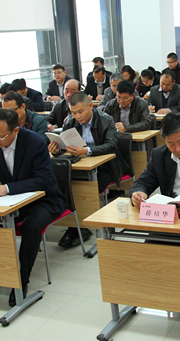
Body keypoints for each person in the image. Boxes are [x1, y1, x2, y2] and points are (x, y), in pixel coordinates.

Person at [0, 108, 67, 307]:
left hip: (44, 199)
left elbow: (44, 181)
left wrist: (6, 188)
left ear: (16, 130)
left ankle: (21, 280)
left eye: (0, 136)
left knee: (31, 226)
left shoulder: (34, 142)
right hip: (12, 201)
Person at [53, 92, 127, 248]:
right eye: (74, 113)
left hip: (106, 166)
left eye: (80, 112)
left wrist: (86, 151)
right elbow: (65, 146)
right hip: (80, 167)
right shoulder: (69, 121)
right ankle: (76, 226)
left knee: (85, 189)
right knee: (67, 186)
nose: (77, 116)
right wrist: (57, 149)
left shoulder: (106, 120)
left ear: (90, 106)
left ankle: (79, 228)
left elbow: (111, 145)